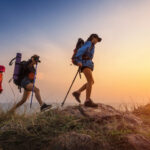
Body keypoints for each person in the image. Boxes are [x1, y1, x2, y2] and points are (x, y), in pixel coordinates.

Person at [72, 34, 102, 108]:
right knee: (90, 81)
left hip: (87, 64)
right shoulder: (88, 43)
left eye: (98, 40)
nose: (97, 41)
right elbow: (80, 51)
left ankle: (77, 92)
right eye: (96, 39)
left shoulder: (92, 45)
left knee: (92, 81)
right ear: (93, 38)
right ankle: (87, 100)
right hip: (85, 63)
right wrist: (78, 61)